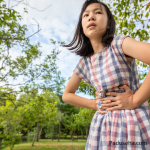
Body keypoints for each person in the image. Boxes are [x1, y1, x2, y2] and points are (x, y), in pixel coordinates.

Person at [62, 0, 150, 149]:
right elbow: (67, 95)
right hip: (102, 126)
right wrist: (94, 104)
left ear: (109, 23)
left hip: (131, 121)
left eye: (98, 12)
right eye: (86, 15)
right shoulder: (85, 62)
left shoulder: (119, 44)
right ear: (81, 26)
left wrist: (135, 100)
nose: (91, 17)